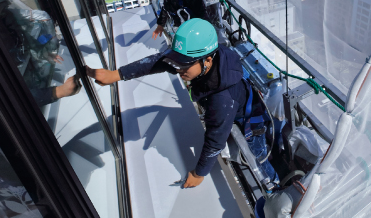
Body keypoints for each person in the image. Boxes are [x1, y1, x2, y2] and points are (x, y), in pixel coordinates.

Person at [86, 18, 279, 188]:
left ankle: (273, 186)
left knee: (258, 158)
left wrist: (199, 174)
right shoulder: (208, 55)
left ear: (208, 60)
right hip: (237, 104)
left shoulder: (222, 100)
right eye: (177, 64)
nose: (179, 71)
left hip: (249, 122)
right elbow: (160, 61)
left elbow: (215, 141)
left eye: (184, 65)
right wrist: (118, 74)